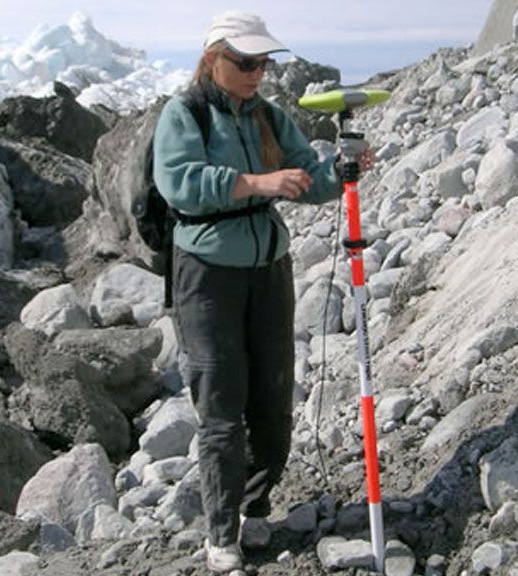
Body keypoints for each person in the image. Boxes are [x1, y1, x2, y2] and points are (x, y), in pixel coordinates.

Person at [152, 10, 375, 573]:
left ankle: (256, 505)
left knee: (273, 400)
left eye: (263, 62)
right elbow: (178, 180)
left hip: (268, 267)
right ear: (212, 60)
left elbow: (305, 177)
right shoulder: (186, 114)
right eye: (245, 62)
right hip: (206, 271)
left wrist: (342, 171)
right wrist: (255, 183)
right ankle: (221, 533)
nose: (257, 72)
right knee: (222, 404)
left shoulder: (271, 118)